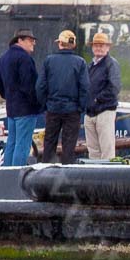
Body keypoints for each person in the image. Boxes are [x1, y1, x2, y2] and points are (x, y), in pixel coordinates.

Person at [35, 30, 88, 163]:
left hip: (53, 109)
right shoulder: (80, 62)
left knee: (49, 143)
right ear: (73, 45)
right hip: (72, 110)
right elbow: (85, 87)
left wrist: (44, 105)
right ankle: (67, 173)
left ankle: (46, 171)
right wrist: (81, 107)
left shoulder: (49, 61)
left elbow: (40, 86)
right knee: (69, 145)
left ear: (60, 44)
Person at [0, 29, 44, 166]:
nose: (33, 42)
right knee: (23, 144)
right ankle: (17, 176)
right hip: (26, 109)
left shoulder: (3, 58)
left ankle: (6, 175)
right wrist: (38, 104)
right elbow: (30, 86)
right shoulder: (24, 59)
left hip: (12, 109)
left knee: (11, 143)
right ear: (19, 40)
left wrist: (9, 97)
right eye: (29, 40)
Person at [83, 30, 124, 162]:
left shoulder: (112, 64)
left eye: (102, 45)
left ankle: (108, 178)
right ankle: (94, 178)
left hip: (105, 112)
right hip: (89, 113)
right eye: (96, 45)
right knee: (93, 150)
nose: (98, 47)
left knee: (107, 150)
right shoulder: (90, 65)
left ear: (108, 47)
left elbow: (115, 87)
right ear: (92, 47)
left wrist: (96, 99)